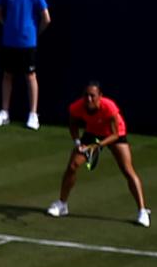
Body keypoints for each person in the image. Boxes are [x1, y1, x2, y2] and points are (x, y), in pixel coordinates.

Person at [48, 81, 150, 227]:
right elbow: (73, 125)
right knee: (72, 166)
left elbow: (115, 135)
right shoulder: (77, 107)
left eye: (92, 96)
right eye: (86, 95)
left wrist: (96, 146)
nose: (89, 99)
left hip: (115, 135)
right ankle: (62, 204)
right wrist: (78, 143)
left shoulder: (109, 107)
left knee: (127, 170)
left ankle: (142, 211)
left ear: (100, 96)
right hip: (92, 132)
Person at [0, 0, 49, 129]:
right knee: (7, 74)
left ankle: (33, 114)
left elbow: (46, 18)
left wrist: (35, 33)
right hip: (9, 41)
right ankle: (5, 112)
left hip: (27, 43)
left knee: (30, 76)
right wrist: (7, 25)